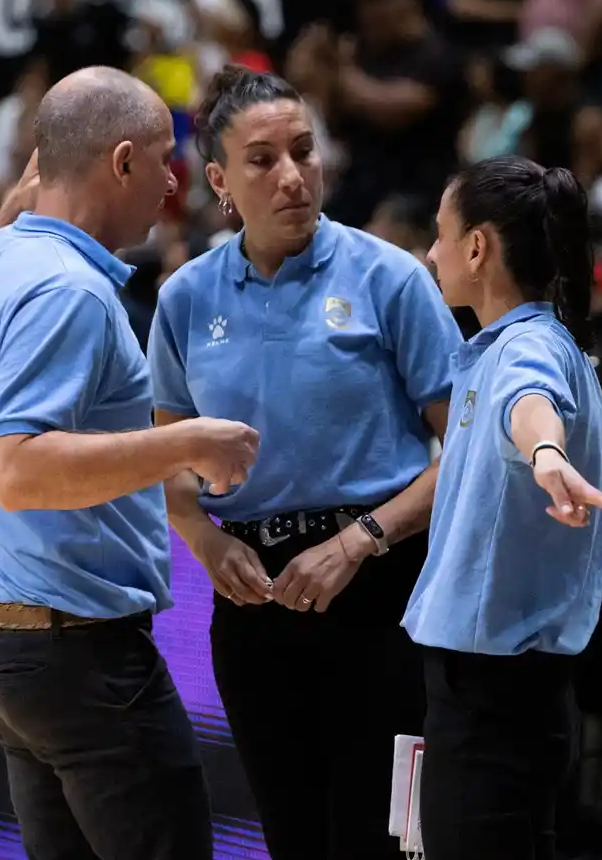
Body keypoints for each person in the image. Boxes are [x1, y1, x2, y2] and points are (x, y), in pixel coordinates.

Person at [0, 67, 261, 860]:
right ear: (121, 162)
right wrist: (188, 443)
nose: (172, 183)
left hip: (5, 648)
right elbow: (16, 469)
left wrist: (18, 211)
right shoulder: (69, 294)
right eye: (162, 160)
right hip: (80, 657)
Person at [146, 64, 460, 860]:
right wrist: (207, 541)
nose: (292, 177)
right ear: (218, 179)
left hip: (378, 583)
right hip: (253, 597)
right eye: (262, 160)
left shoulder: (389, 279)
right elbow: (169, 459)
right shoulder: (185, 297)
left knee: (379, 839)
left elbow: (467, 452)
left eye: (304, 151)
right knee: (290, 834)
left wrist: (360, 542)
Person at [406, 156, 602, 860]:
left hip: (496, 695)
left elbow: (528, 407)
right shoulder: (511, 344)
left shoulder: (528, 347)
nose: (430, 253)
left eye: (440, 235)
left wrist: (548, 457)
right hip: (497, 688)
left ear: (478, 247)